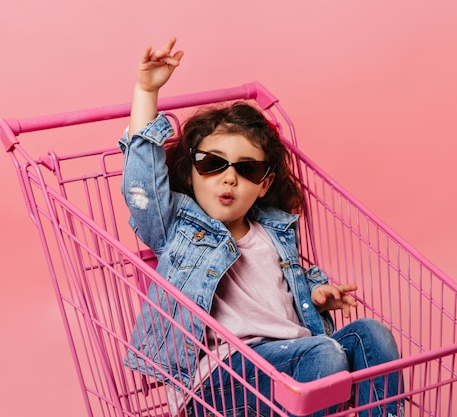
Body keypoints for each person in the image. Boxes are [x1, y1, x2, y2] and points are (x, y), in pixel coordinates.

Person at [119, 38, 404, 417]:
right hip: (218, 384)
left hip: (296, 358)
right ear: (191, 171)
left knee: (371, 334)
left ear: (264, 184)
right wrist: (146, 91)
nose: (229, 179)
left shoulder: (275, 231)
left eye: (247, 168)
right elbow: (142, 185)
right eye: (212, 164)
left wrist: (318, 292)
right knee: (324, 353)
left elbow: (286, 287)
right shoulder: (177, 229)